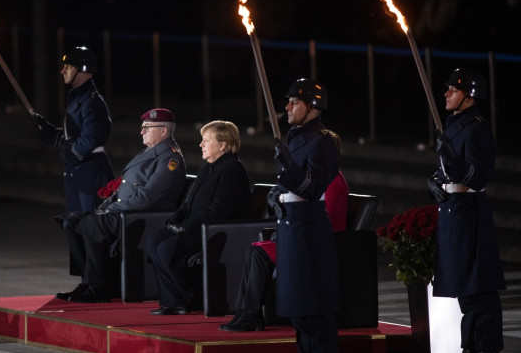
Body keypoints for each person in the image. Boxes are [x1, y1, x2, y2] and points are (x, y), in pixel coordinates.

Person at [55, 108, 187, 303]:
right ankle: (89, 282)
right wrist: (105, 206)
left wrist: (110, 210)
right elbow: (124, 187)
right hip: (127, 211)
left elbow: (148, 198)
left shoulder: (170, 159)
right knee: (70, 222)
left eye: (147, 127)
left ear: (164, 131)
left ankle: (98, 288)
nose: (142, 131)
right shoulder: (152, 151)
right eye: (142, 127)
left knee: (91, 224)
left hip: (143, 218)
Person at [428, 68, 506, 353]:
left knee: (479, 290)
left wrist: (452, 161)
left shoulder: (477, 129)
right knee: (464, 290)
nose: (445, 93)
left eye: (452, 89)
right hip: (453, 212)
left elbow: (477, 176)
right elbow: (446, 172)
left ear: (469, 95)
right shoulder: (453, 125)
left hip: (470, 212)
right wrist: (434, 182)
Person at [268, 79, 341, 353]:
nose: (287, 108)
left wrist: (288, 167)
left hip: (309, 227)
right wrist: (274, 194)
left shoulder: (323, 141)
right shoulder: (296, 137)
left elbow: (312, 189)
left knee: (314, 304)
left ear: (312, 107)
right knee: (298, 304)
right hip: (290, 224)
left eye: (294, 102)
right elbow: (287, 185)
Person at [219, 170, 348, 332]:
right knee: (254, 249)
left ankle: (251, 314)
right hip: (304, 238)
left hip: (321, 244)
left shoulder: (332, 180)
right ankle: (245, 312)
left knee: (261, 254)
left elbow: (322, 219)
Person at [147, 120, 252, 316]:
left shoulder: (233, 169)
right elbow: (189, 203)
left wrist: (185, 227)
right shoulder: (208, 167)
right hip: (198, 228)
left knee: (167, 249)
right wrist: (175, 219)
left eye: (205, 140)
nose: (200, 144)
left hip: (219, 232)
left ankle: (189, 297)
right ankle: (173, 300)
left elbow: (218, 210)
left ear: (222, 145)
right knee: (154, 240)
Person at [32, 46, 114, 213]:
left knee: (89, 226)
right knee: (76, 225)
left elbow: (92, 137)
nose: (63, 71)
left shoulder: (92, 102)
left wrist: (70, 154)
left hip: (89, 172)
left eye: (68, 67)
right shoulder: (80, 98)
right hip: (79, 171)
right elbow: (74, 136)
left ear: (83, 69)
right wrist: (49, 132)